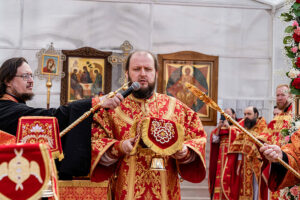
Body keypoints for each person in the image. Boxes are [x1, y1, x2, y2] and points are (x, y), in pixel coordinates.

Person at [90, 50, 207, 200]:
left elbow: (198, 138)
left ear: (156, 73)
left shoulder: (177, 108)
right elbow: (95, 142)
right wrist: (120, 147)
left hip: (166, 191)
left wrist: (185, 152)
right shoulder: (111, 108)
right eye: (137, 69)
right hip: (125, 191)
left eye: (148, 69)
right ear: (127, 73)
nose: (142, 74)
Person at [0, 57, 100, 178]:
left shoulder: (13, 107)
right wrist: (94, 103)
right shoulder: (6, 110)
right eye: (25, 76)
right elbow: (52, 117)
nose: (31, 81)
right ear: (7, 81)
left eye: (32, 76)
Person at [222, 106, 268, 200]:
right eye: (244, 114)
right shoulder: (244, 129)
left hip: (257, 165)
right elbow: (238, 147)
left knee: (256, 190)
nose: (246, 117)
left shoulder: (263, 128)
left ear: (256, 114)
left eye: (249, 114)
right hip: (244, 165)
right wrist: (238, 164)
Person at [208, 108, 240, 200]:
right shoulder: (220, 127)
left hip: (231, 157)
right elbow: (214, 140)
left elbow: (239, 138)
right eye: (224, 114)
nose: (226, 116)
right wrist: (219, 127)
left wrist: (229, 127)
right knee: (219, 177)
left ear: (233, 115)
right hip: (220, 156)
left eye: (228, 114)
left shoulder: (237, 126)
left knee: (229, 178)